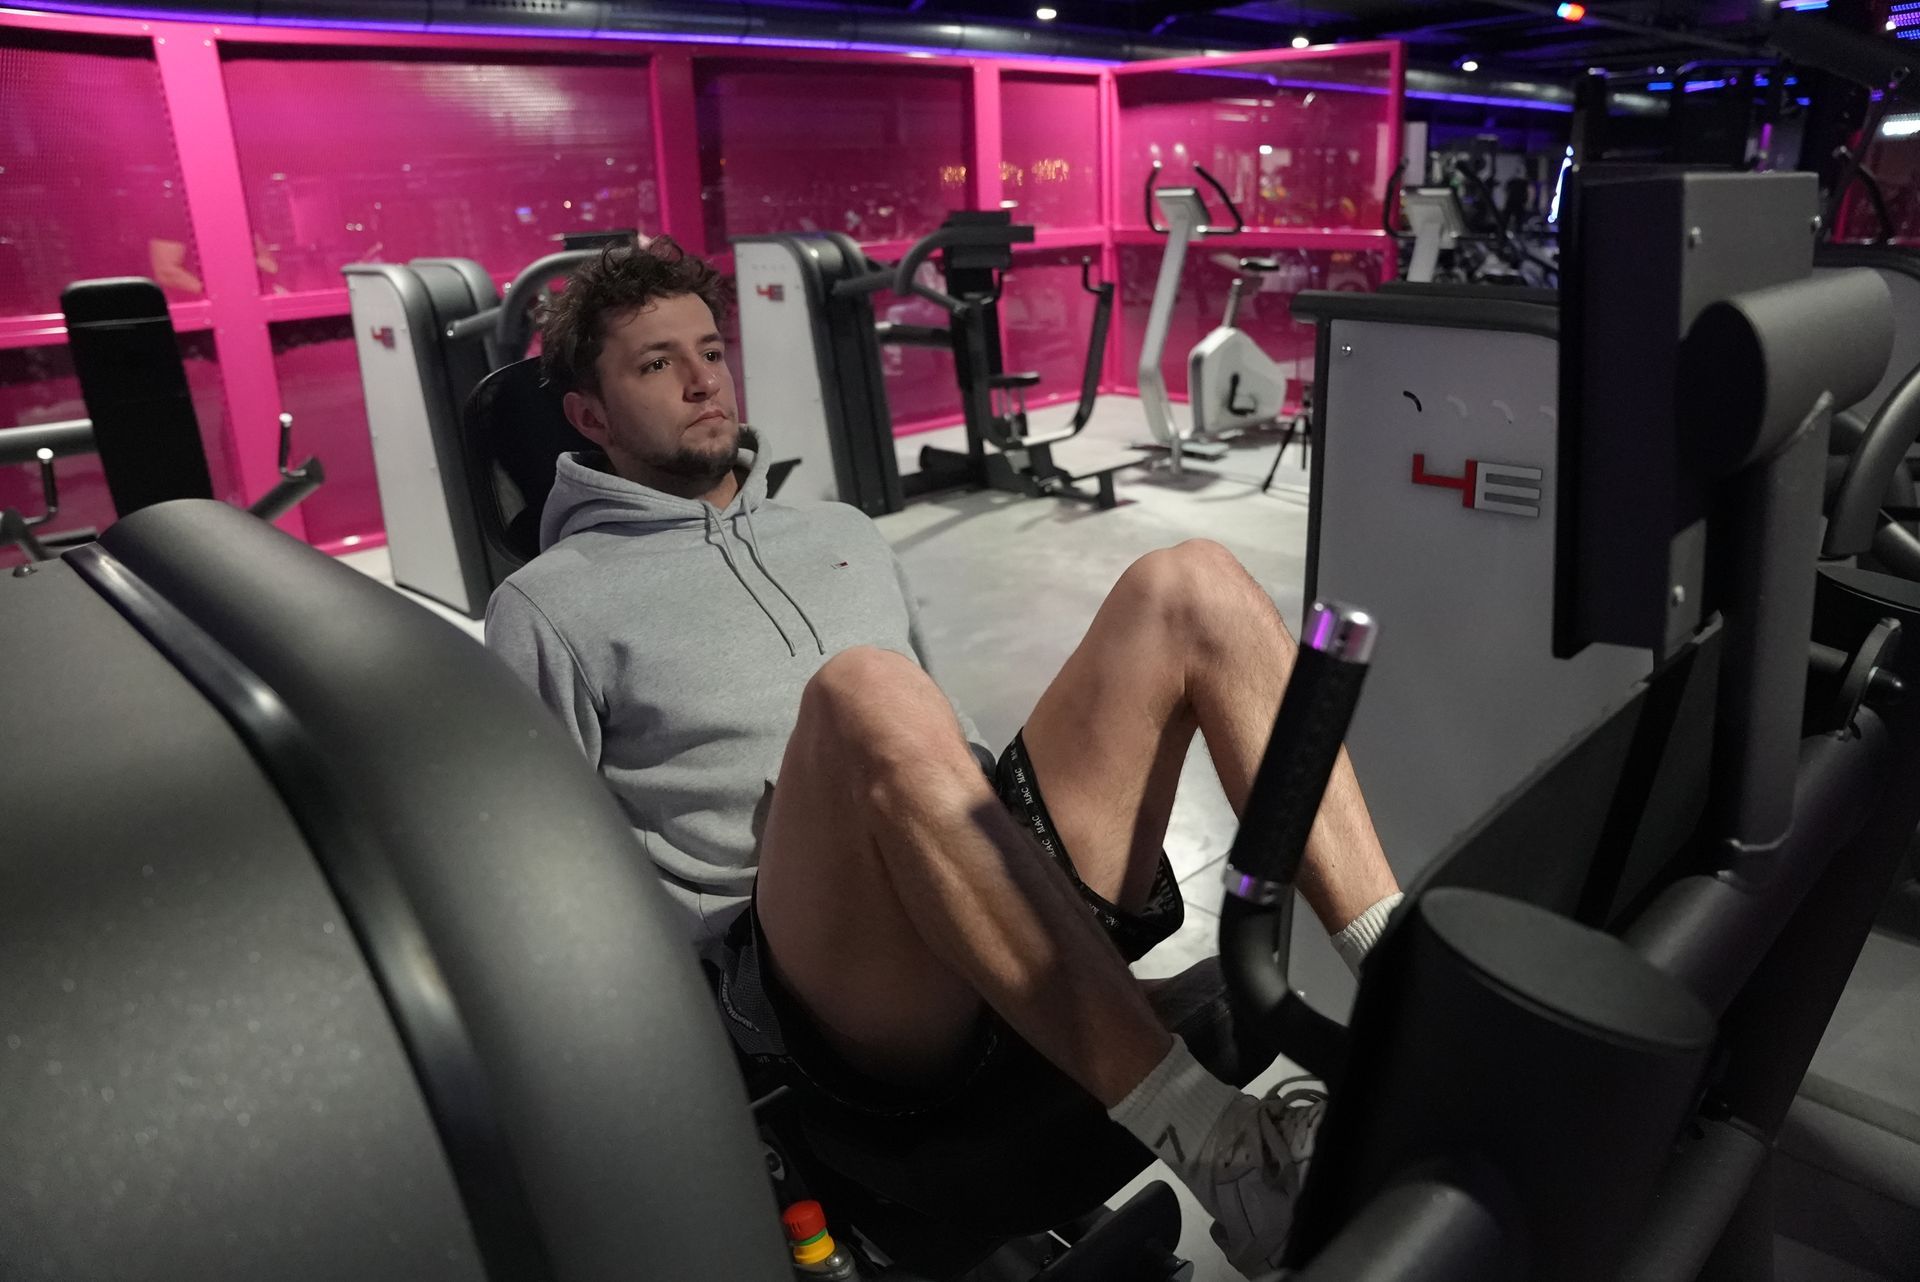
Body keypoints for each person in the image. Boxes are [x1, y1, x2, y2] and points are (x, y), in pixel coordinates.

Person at [484, 237, 1403, 1277]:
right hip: (821, 983)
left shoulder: (838, 530)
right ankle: (1216, 1143)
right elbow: (555, 893)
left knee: (1191, 581)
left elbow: (938, 745)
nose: (703, 381)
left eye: (710, 350)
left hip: (968, 864)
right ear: (591, 418)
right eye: (657, 363)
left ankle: (1412, 988)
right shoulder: (548, 606)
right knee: (864, 692)